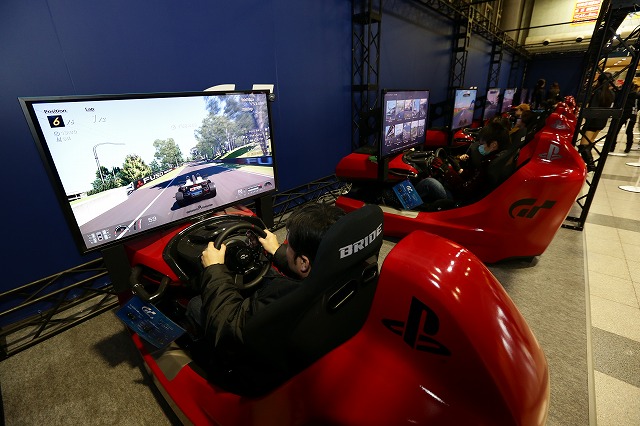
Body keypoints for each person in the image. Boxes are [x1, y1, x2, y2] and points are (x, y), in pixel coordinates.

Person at [186, 203, 345, 352]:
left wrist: (215, 268)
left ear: (304, 262)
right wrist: (276, 250)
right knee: (268, 274)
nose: (286, 247)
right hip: (318, 333)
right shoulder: (343, 266)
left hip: (269, 356)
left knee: (195, 303)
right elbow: (305, 269)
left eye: (289, 245)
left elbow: (227, 324)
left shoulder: (283, 295)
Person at [415, 121, 511, 206]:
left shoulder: (489, 165)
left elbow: (465, 190)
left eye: (482, 144)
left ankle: (411, 210)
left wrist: (444, 169)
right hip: (469, 198)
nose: (479, 147)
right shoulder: (497, 160)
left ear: (493, 144)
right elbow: (473, 179)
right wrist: (456, 170)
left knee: (428, 182)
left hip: (462, 202)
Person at [578, 72, 615, 171]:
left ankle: (591, 165)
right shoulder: (611, 94)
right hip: (602, 121)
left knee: (583, 145)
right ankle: (587, 165)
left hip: (593, 122)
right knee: (590, 142)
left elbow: (592, 110)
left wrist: (585, 124)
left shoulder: (597, 92)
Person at [611, 83, 639, 153]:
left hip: (620, 113)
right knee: (629, 131)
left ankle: (612, 146)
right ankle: (628, 146)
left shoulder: (620, 93)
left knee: (615, 131)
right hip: (631, 114)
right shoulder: (636, 95)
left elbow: (615, 102)